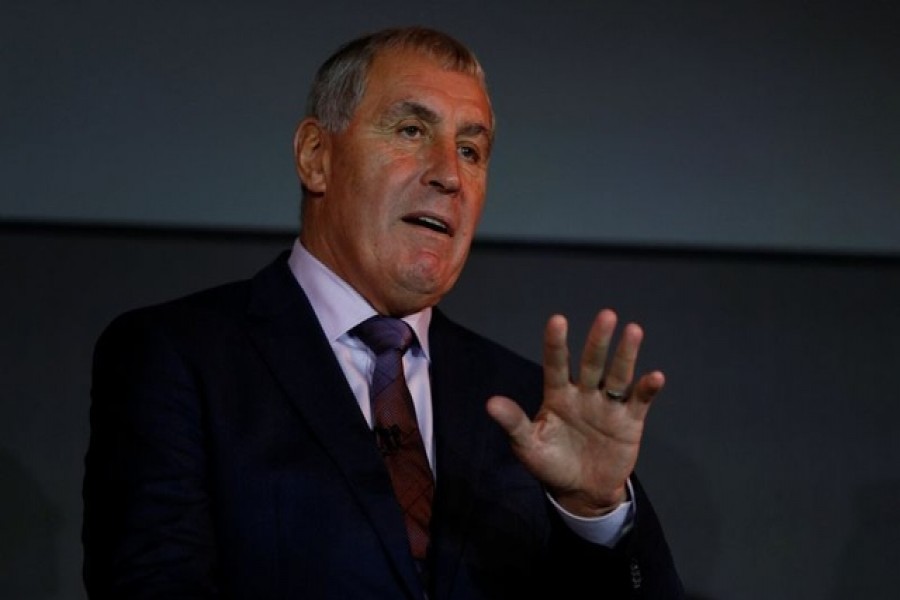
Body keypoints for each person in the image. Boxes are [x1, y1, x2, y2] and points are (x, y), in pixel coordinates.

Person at [82, 26, 685, 599]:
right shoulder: (178, 357)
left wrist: (595, 514)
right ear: (316, 156)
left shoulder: (529, 407)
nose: (449, 174)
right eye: (410, 131)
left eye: (471, 150)